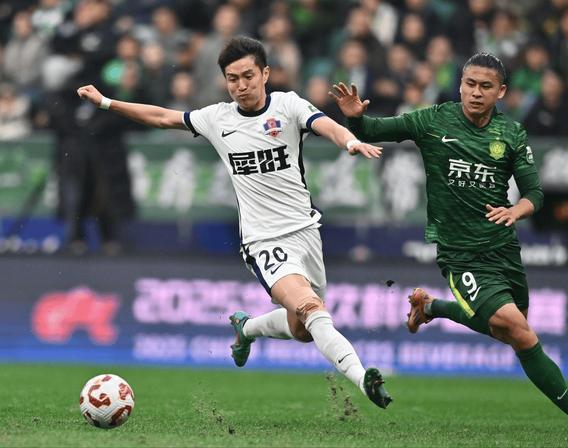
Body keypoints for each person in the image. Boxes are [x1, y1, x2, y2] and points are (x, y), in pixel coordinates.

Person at [77, 36, 393, 409]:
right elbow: (163, 117)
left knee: (304, 330)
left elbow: (327, 126)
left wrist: (350, 141)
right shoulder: (218, 118)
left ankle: (248, 328)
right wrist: (107, 102)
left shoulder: (288, 105)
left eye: (247, 76)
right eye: (232, 79)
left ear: (265, 74)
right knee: (311, 309)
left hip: (306, 233)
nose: (241, 86)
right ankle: (363, 379)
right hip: (263, 241)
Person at [330, 52, 568, 434]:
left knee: (508, 331)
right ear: (461, 85)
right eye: (470, 84)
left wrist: (516, 211)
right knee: (520, 332)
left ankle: (430, 307)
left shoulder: (511, 133)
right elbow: (371, 129)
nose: (476, 92)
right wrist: (355, 118)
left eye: (485, 86)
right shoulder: (434, 120)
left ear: (501, 91)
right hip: (460, 253)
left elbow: (535, 193)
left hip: (503, 250)